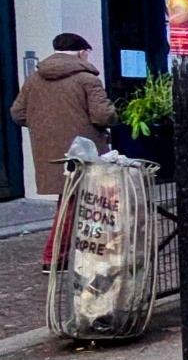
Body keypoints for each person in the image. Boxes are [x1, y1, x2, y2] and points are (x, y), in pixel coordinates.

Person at [9, 32, 118, 270]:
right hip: (86, 152)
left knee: (71, 200)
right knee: (83, 203)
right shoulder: (87, 79)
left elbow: (17, 113)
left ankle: (83, 252)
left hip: (49, 151)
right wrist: (113, 114)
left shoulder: (34, 79)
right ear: (81, 53)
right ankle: (55, 257)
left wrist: (46, 128)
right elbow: (102, 115)